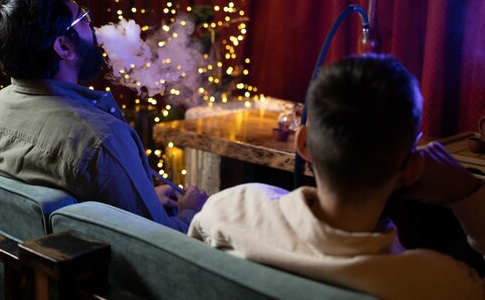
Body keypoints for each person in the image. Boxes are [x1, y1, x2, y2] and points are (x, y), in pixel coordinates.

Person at [188, 54, 485, 299]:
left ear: (303, 143)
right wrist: (469, 192)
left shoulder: (229, 209)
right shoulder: (442, 285)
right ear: (411, 169)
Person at [0, 0, 208, 232]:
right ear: (63, 46)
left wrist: (145, 199)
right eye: (83, 19)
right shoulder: (101, 139)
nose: (94, 29)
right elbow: (159, 242)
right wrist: (191, 211)